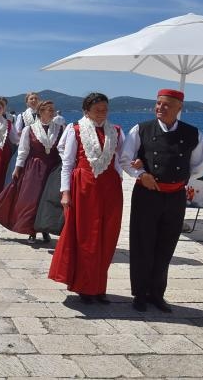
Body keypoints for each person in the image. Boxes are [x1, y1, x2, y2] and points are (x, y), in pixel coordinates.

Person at [121, 89, 203, 313]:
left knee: (166, 245)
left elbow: (201, 164)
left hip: (175, 197)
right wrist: (141, 174)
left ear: (179, 108)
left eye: (166, 104)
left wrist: (180, 179)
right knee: (142, 244)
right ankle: (140, 294)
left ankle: (157, 294)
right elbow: (125, 158)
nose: (160, 108)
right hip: (146, 195)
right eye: (158, 103)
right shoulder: (140, 129)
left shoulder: (193, 133)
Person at [48, 93, 125, 304]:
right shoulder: (76, 130)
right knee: (86, 237)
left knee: (107, 237)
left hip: (110, 188)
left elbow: (121, 159)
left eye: (105, 109)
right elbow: (67, 163)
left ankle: (99, 286)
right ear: (86, 111)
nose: (102, 113)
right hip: (84, 187)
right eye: (97, 110)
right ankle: (84, 286)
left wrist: (130, 171)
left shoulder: (116, 131)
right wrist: (65, 192)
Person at [0, 100, 63, 243]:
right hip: (34, 169)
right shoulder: (29, 129)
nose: (53, 112)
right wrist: (17, 168)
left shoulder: (59, 128)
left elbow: (63, 149)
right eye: (49, 110)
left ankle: (45, 229)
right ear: (41, 112)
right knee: (32, 200)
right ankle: (31, 231)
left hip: (52, 169)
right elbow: (23, 151)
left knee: (47, 200)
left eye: (53, 109)